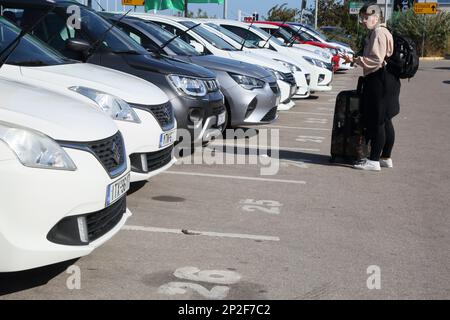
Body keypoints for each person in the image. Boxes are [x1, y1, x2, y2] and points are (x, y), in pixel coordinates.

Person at [342, 3, 401, 171]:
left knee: (377, 121)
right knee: (385, 119)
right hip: (387, 79)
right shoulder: (384, 31)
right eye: (362, 17)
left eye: (366, 17)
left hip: (378, 79)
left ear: (376, 17)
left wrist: (355, 60)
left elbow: (375, 60)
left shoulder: (378, 32)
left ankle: (374, 160)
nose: (362, 20)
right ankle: (385, 157)